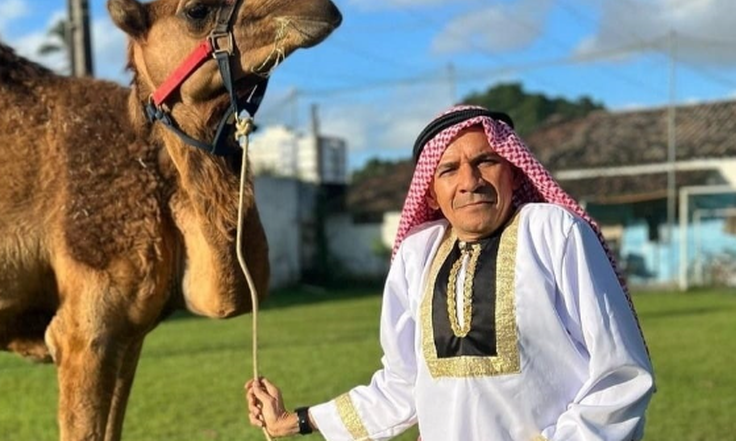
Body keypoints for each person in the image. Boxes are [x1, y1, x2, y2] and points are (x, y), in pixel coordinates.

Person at [246, 105, 655, 441]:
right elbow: (403, 384)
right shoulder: (417, 255)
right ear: (431, 191)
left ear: (512, 169)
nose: (469, 182)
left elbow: (621, 376)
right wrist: (297, 420)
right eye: (449, 170)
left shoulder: (552, 231)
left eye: (485, 161)